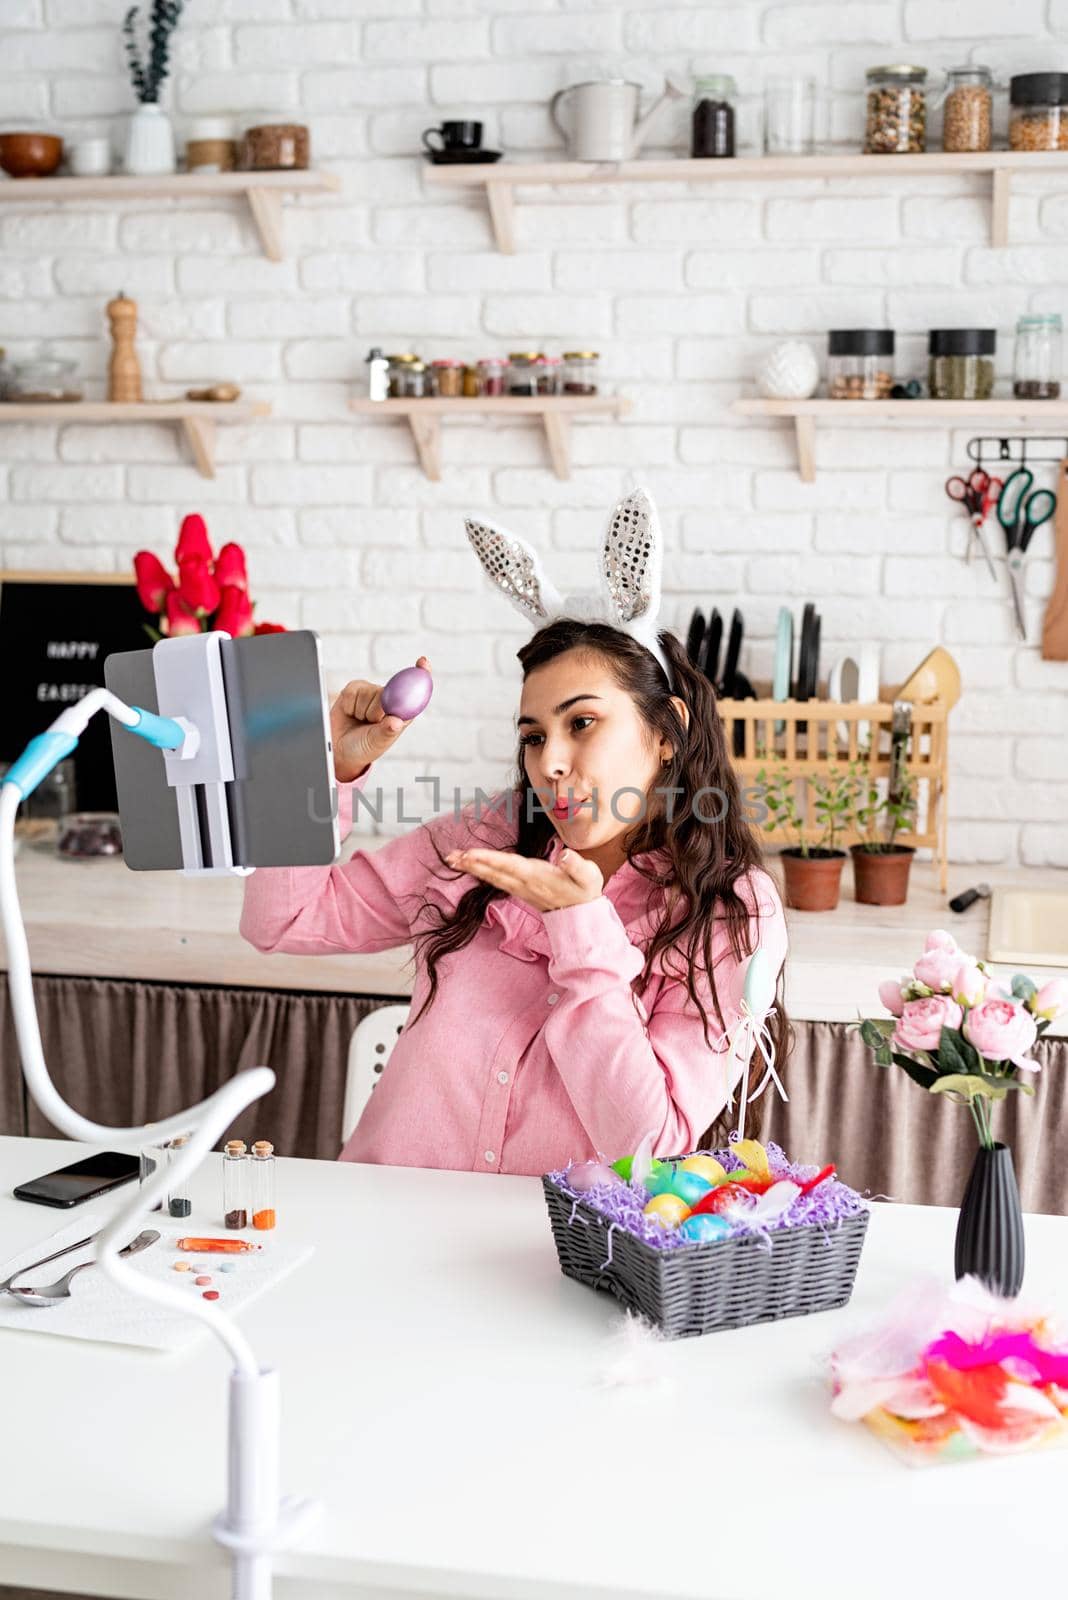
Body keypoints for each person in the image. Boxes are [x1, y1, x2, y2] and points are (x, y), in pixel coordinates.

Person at [239, 488, 789, 1176]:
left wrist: (579, 923)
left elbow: (649, 1147)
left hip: (551, 1262)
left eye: (581, 723)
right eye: (534, 735)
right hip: (382, 1226)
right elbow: (282, 921)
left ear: (666, 730)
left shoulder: (730, 909)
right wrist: (321, 771)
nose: (550, 762)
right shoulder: (487, 839)